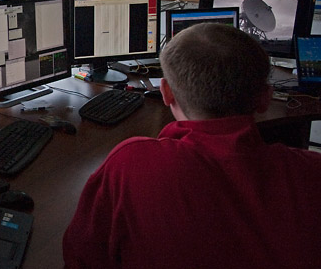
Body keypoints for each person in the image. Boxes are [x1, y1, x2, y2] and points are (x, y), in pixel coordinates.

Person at [62, 23, 321, 269]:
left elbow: (81, 258)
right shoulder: (312, 170)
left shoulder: (130, 164)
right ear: (266, 98)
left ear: (166, 93)